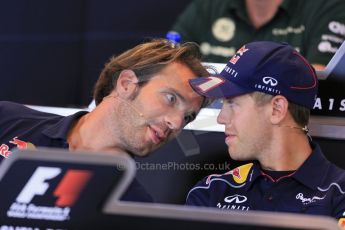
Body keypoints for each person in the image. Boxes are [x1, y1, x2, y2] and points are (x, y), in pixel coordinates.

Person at [0, 38, 210, 202]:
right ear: (127, 84)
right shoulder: (7, 118)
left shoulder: (131, 207)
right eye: (171, 98)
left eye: (188, 117)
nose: (177, 123)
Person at [186, 41, 345, 226]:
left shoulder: (339, 195)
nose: (221, 118)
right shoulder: (212, 192)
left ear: (277, 109)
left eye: (231, 103)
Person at [171, 0, 345, 70]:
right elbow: (168, 64)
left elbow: (319, 82)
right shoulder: (208, 5)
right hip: (207, 127)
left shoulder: (328, 6)